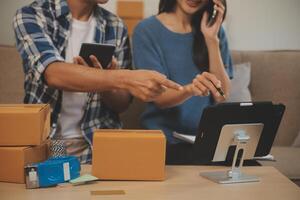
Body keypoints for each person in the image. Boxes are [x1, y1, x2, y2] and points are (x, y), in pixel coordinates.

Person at [13, 0, 182, 163]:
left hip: (98, 147)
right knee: (56, 181)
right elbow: (53, 74)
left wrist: (106, 84)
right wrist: (125, 78)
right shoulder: (32, 15)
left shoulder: (115, 26)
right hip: (50, 146)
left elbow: (121, 105)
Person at [132, 0, 233, 164]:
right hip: (164, 142)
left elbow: (222, 95)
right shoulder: (146, 30)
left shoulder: (214, 31)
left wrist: (211, 39)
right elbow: (159, 99)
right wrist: (190, 89)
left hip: (206, 140)